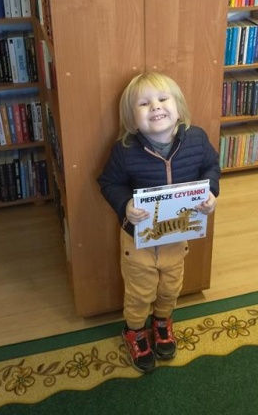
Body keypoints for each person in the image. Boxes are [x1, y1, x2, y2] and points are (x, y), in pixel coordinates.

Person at [97, 72, 220, 374]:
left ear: (178, 107)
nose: (155, 107)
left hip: (176, 237)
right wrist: (125, 205)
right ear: (132, 118)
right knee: (140, 292)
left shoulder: (196, 139)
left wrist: (211, 192)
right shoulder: (125, 150)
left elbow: (211, 166)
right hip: (137, 239)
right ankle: (135, 330)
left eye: (163, 99)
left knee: (170, 287)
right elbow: (109, 182)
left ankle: (162, 322)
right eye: (144, 103)